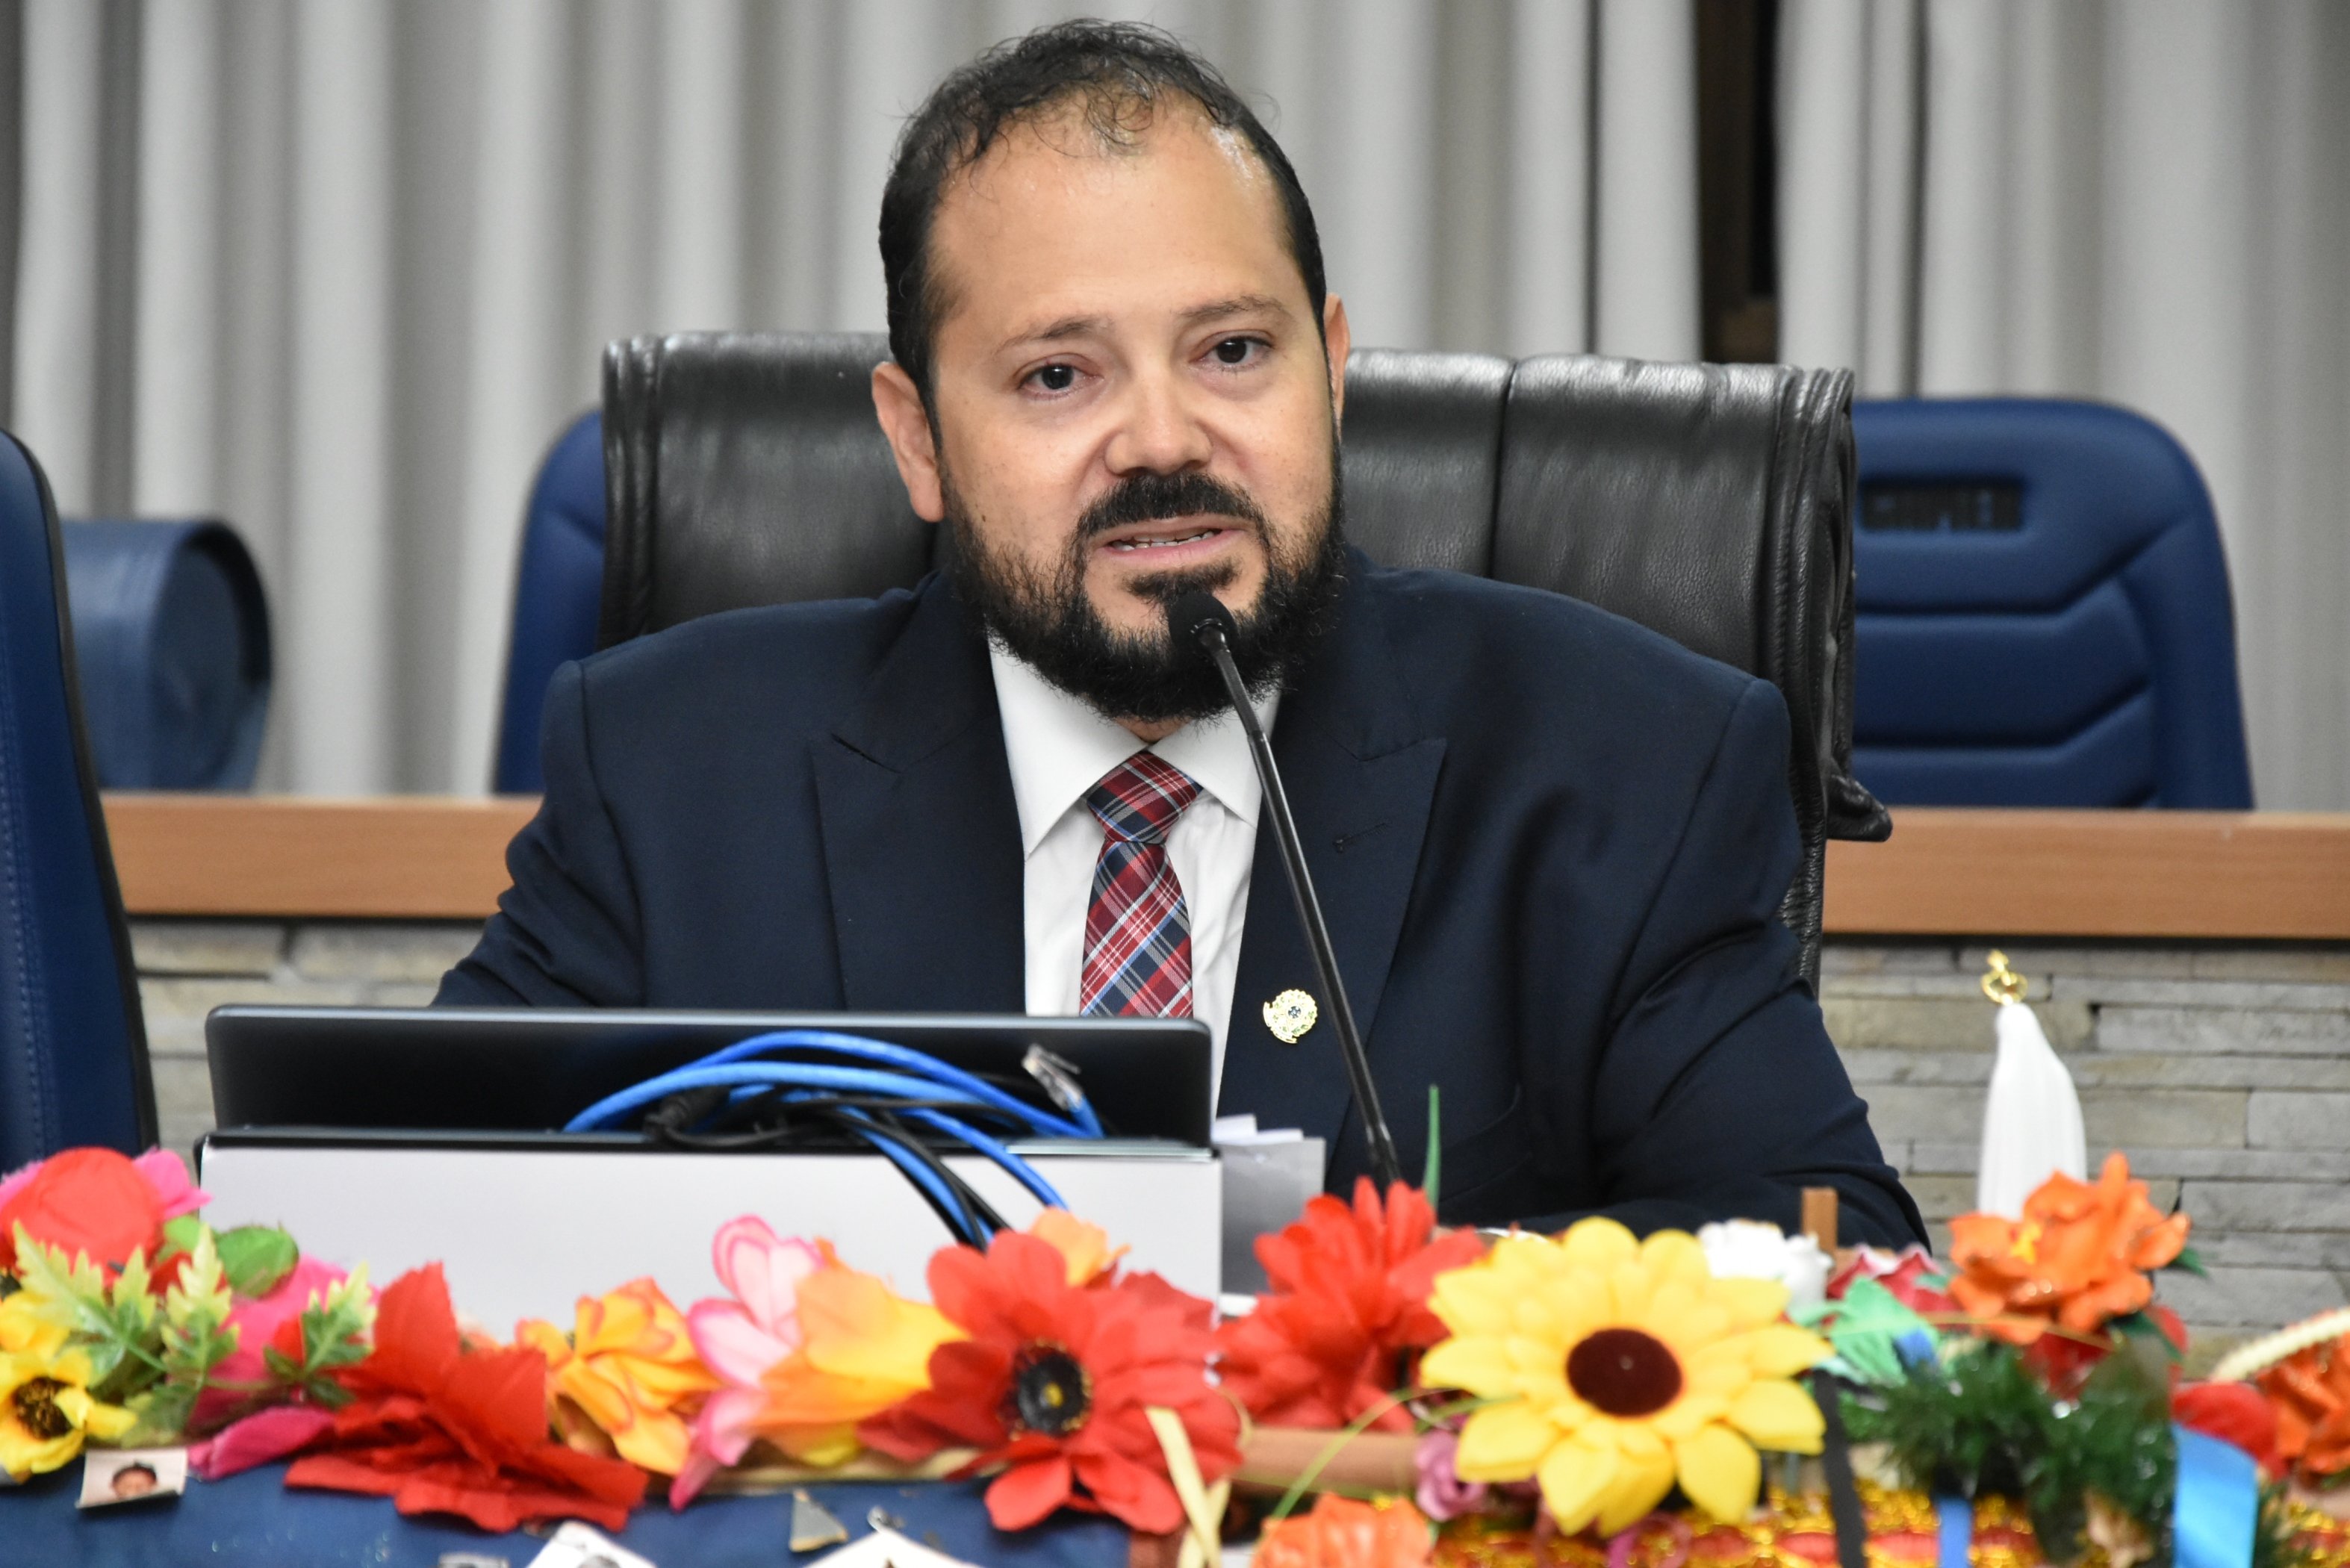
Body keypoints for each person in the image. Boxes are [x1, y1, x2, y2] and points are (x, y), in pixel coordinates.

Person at [438, 21, 1922, 1245]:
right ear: (918, 439)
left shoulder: (1630, 766)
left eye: (1230, 351)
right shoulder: (669, 774)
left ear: (1330, 372)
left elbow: (1829, 1256)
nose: (1162, 439)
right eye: (1057, 376)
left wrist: (1368, 1316)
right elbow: (412, 1204)